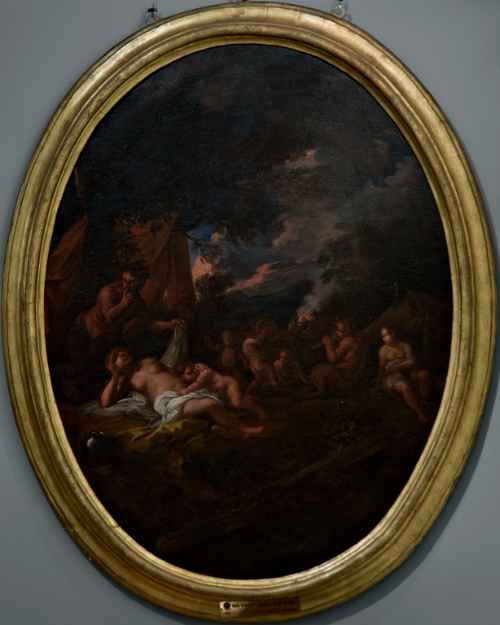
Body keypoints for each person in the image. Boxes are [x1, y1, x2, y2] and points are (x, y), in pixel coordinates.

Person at [101, 347, 263, 436]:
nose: (122, 354)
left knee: (223, 396)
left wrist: (188, 376)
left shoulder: (147, 361)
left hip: (185, 391)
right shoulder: (127, 380)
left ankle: (226, 429)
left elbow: (172, 372)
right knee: (209, 404)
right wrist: (114, 376)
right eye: (117, 356)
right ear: (114, 366)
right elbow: (105, 402)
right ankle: (243, 430)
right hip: (169, 401)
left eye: (122, 352)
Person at [378, 326, 430, 423]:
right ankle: (419, 412)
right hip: (393, 377)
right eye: (384, 336)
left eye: (388, 334)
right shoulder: (383, 350)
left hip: (409, 371)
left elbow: (412, 361)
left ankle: (424, 401)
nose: (387, 337)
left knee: (424, 375)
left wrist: (398, 366)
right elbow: (382, 368)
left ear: (393, 333)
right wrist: (386, 375)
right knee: (404, 387)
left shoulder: (404, 345)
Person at [181, 362, 267, 420]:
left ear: (195, 368)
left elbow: (196, 385)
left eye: (189, 373)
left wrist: (185, 391)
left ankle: (258, 410)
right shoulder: (197, 373)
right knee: (226, 406)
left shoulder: (204, 373)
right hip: (221, 391)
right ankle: (248, 403)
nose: (186, 376)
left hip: (228, 385)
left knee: (237, 403)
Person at [310, 319, 364, 395]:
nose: (337, 333)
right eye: (337, 330)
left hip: (345, 376)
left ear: (348, 330)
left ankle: (322, 391)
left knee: (320, 370)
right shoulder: (351, 340)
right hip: (344, 372)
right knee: (319, 368)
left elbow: (333, 359)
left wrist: (328, 344)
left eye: (341, 331)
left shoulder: (348, 341)